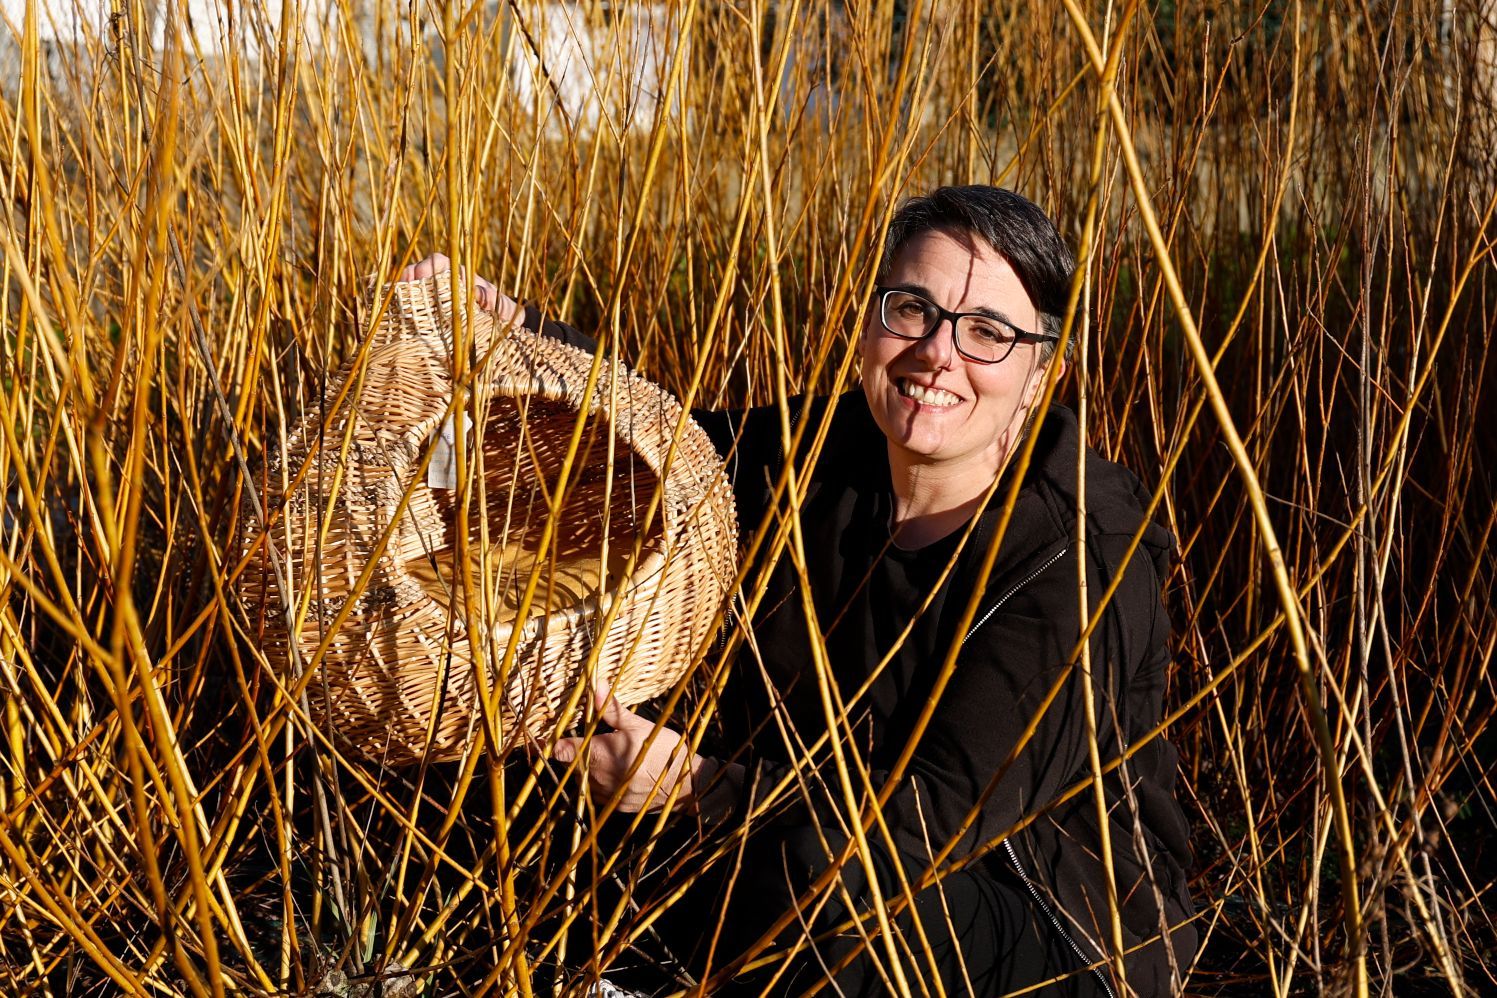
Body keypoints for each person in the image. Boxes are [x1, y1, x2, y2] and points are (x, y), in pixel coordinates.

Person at [402, 185, 1197, 996]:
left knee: (831, 874)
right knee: (517, 737)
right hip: (804, 840)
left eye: (988, 333)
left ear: (1039, 376)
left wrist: (696, 786)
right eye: (911, 309)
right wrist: (520, 331)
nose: (937, 355)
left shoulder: (1080, 554)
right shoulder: (828, 447)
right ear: (870, 321)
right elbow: (664, 444)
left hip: (1051, 930)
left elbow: (939, 819)